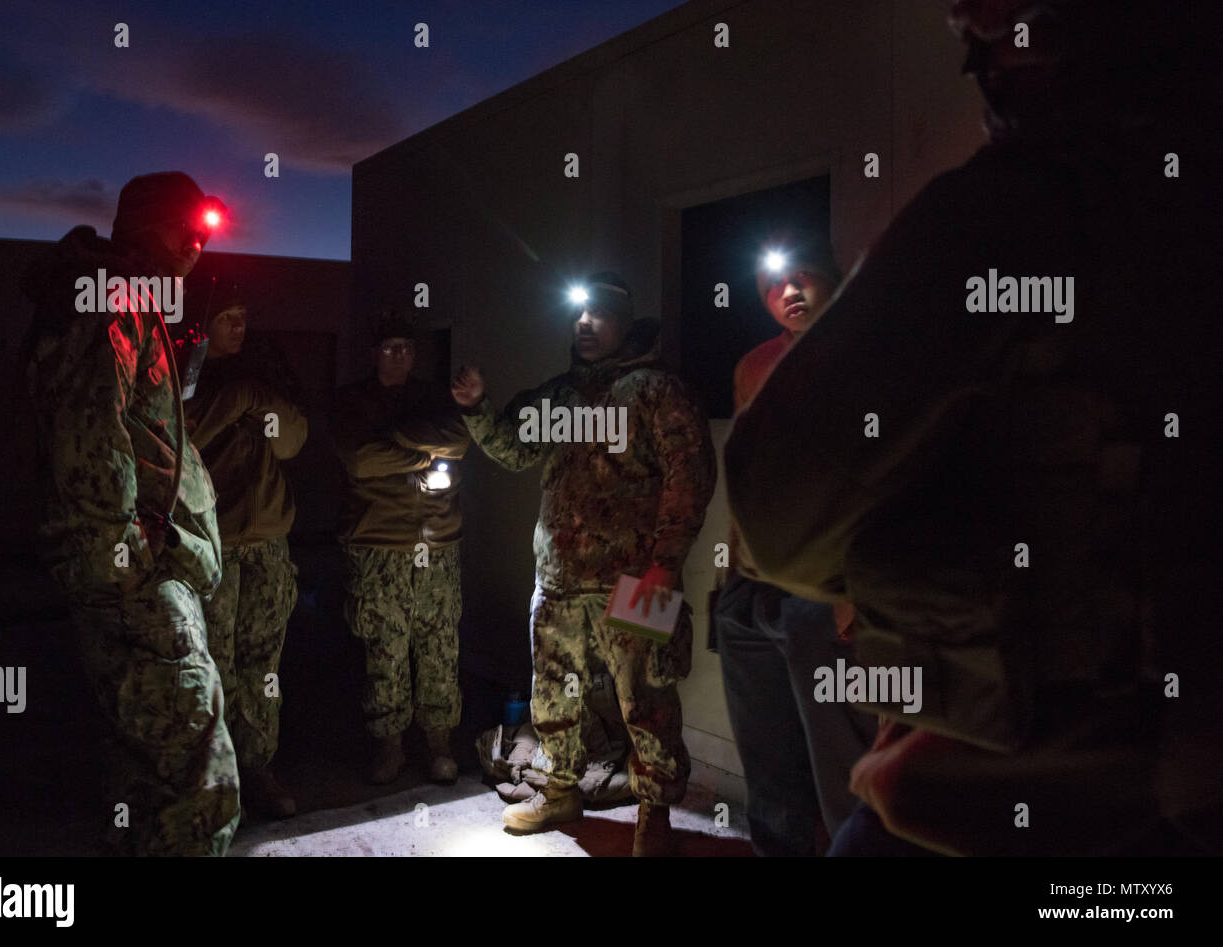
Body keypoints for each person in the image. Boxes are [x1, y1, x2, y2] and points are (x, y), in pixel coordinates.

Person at [726, 0, 1220, 855]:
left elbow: (781, 510)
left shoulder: (1017, 213)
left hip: (1055, 786)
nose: (978, 62)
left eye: (995, 31)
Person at [452, 272, 716, 856]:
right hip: (560, 578)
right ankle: (562, 789)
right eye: (577, 314)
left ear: (624, 320)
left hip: (639, 578)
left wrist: (666, 565)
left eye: (597, 314)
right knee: (553, 693)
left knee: (647, 697)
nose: (583, 324)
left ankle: (655, 810)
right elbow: (513, 449)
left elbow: (688, 479)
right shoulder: (559, 396)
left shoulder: (657, 390)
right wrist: (477, 408)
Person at [22, 171, 239, 855]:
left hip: (142, 574)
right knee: (194, 777)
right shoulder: (111, 300)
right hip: (136, 585)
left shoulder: (132, 302)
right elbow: (90, 440)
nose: (197, 247)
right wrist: (130, 569)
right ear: (158, 228)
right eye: (191, 229)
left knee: (147, 766)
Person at [714, 236, 875, 855]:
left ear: (835, 279)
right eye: (773, 285)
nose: (790, 291)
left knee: (846, 767)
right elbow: (747, 479)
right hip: (752, 593)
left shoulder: (870, 353)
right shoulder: (754, 365)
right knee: (767, 762)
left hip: (827, 595)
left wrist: (854, 595)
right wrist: (730, 576)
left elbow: (883, 473)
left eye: (804, 276)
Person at [185, 287, 308, 819]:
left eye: (243, 316)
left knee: (263, 666)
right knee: (214, 663)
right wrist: (234, 399)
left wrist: (258, 398)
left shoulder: (261, 378)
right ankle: (212, 780)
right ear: (203, 323)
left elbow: (292, 440)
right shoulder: (186, 378)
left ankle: (257, 768)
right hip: (216, 545)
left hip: (267, 546)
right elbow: (183, 440)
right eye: (227, 317)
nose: (238, 326)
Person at [333, 311, 470, 785]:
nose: (400, 356)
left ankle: (438, 743)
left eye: (408, 348)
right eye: (391, 348)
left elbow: (459, 438)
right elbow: (360, 459)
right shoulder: (352, 400)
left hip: (437, 542)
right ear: (374, 353)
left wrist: (396, 438)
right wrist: (421, 454)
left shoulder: (434, 397)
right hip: (378, 543)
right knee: (385, 648)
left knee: (439, 645)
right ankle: (388, 744)